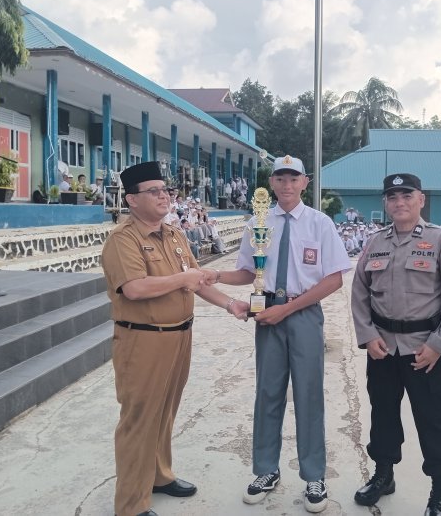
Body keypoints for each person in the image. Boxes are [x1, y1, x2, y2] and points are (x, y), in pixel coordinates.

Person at [101, 161, 249, 516]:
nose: (164, 196)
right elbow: (135, 289)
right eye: (153, 191)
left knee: (165, 412)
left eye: (166, 190)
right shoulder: (124, 239)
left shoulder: (175, 235)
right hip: (143, 340)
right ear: (132, 200)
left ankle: (159, 476)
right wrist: (182, 280)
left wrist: (231, 303)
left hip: (179, 335)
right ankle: (131, 504)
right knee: (139, 419)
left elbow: (196, 279)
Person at [215, 155, 351, 513]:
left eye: (294, 179)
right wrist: (214, 277)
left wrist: (287, 309)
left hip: (302, 313)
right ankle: (266, 470)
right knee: (268, 392)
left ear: (305, 182)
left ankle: (313, 476)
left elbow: (334, 279)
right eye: (280, 178)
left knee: (308, 394)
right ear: (271, 182)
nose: (287, 185)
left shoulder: (320, 224)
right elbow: (247, 272)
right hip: (265, 313)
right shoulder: (257, 222)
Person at [351, 173, 441, 516]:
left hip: (424, 349)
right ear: (385, 203)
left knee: (432, 420)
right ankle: (384, 475)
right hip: (383, 348)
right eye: (392, 197)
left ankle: (440, 490)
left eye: (406, 195)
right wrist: (368, 335)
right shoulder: (374, 243)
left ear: (421, 199)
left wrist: (440, 344)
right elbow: (359, 293)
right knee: (383, 416)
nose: (399, 202)